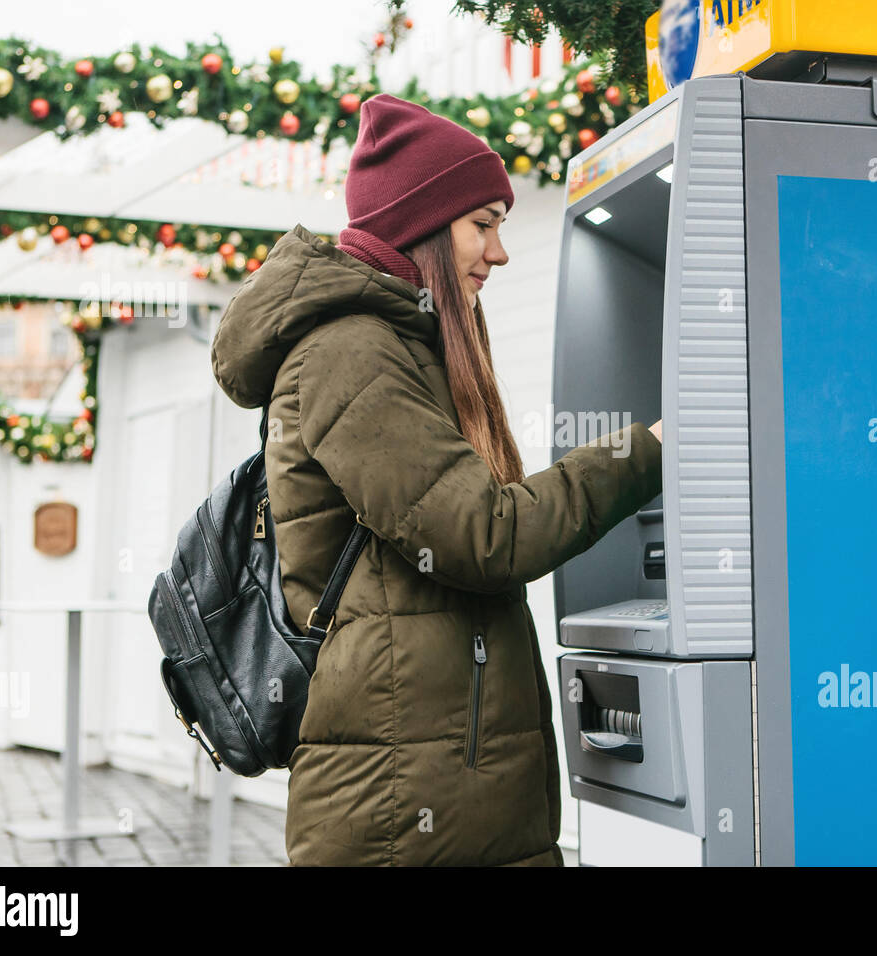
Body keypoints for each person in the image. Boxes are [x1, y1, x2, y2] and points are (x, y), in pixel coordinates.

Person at [211, 93, 664, 866]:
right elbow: (485, 535)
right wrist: (648, 451)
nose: (499, 251)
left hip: (434, 783)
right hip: (399, 805)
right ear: (420, 226)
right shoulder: (352, 353)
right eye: (482, 224)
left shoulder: (400, 344)